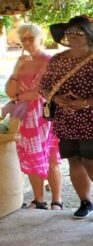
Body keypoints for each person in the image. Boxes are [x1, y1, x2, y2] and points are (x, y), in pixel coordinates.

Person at [40, 15, 93, 220]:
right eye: (70, 32)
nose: (73, 36)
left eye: (79, 32)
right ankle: (86, 202)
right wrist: (57, 99)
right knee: (74, 162)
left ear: (89, 36)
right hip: (66, 120)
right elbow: (43, 85)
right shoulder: (57, 60)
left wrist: (83, 103)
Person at [3, 23, 62, 210]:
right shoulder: (22, 61)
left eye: (31, 38)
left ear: (40, 38)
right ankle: (39, 200)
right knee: (30, 156)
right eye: (23, 39)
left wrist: (18, 97)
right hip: (26, 117)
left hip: (46, 114)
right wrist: (16, 69)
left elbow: (40, 93)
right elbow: (9, 91)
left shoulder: (49, 60)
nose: (27, 42)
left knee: (51, 157)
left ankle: (56, 200)